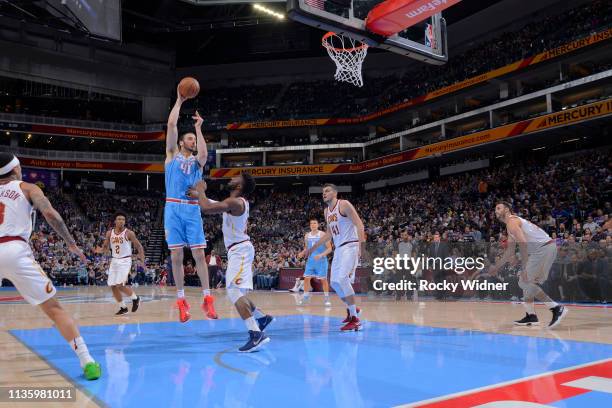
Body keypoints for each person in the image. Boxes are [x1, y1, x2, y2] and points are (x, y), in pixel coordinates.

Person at [0, 153, 101, 380]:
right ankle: (87, 361)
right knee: (55, 310)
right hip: (15, 250)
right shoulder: (28, 187)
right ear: (15, 169)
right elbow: (50, 214)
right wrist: (71, 243)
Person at [189, 173, 273, 352]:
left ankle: (256, 334)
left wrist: (201, 191)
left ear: (239, 186)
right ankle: (262, 318)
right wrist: (199, 195)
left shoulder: (236, 202)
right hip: (238, 249)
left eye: (236, 177)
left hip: (240, 250)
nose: (231, 178)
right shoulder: (234, 203)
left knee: (233, 291)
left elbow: (207, 208)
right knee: (237, 292)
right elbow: (216, 204)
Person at [165, 89, 216, 322]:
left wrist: (199, 128)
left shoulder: (197, 162)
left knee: (198, 253)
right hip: (173, 207)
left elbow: (205, 154)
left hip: (191, 208)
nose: (192, 142)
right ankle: (181, 300)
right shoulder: (171, 155)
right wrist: (179, 100)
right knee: (175, 256)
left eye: (193, 140)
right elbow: (171, 125)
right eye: (189, 139)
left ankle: (208, 299)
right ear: (180, 142)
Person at [489, 202, 567, 328]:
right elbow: (509, 251)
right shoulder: (510, 227)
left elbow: (524, 243)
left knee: (524, 282)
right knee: (527, 283)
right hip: (543, 249)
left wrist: (524, 268)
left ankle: (556, 308)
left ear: (507, 209)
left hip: (543, 249)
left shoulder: (512, 222)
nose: (495, 210)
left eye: (498, 208)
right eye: (495, 208)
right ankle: (531, 316)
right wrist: (496, 267)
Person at [299, 184, 365, 331]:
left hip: (351, 245)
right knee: (334, 282)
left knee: (342, 279)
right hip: (339, 248)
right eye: (323, 192)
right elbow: (329, 234)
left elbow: (359, 224)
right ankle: (352, 308)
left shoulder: (344, 204)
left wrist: (363, 247)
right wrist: (313, 248)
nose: (324, 193)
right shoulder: (326, 211)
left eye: (327, 191)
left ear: (335, 193)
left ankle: (355, 319)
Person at [98, 212, 144, 315]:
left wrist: (142, 260)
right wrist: (101, 250)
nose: (121, 221)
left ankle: (136, 298)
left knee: (120, 285)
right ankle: (123, 307)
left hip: (125, 260)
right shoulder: (109, 233)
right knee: (112, 285)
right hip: (114, 260)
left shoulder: (129, 233)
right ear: (115, 221)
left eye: (123, 219)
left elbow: (139, 246)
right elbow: (105, 246)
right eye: (119, 219)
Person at [298, 219, 332, 307]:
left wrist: (321, 255)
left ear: (318, 224)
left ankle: (327, 298)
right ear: (310, 225)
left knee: (323, 280)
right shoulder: (307, 236)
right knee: (306, 278)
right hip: (310, 261)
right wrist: (302, 253)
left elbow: (329, 248)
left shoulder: (323, 234)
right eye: (311, 223)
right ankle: (305, 297)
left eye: (314, 223)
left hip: (321, 261)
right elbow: (307, 248)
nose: (313, 225)